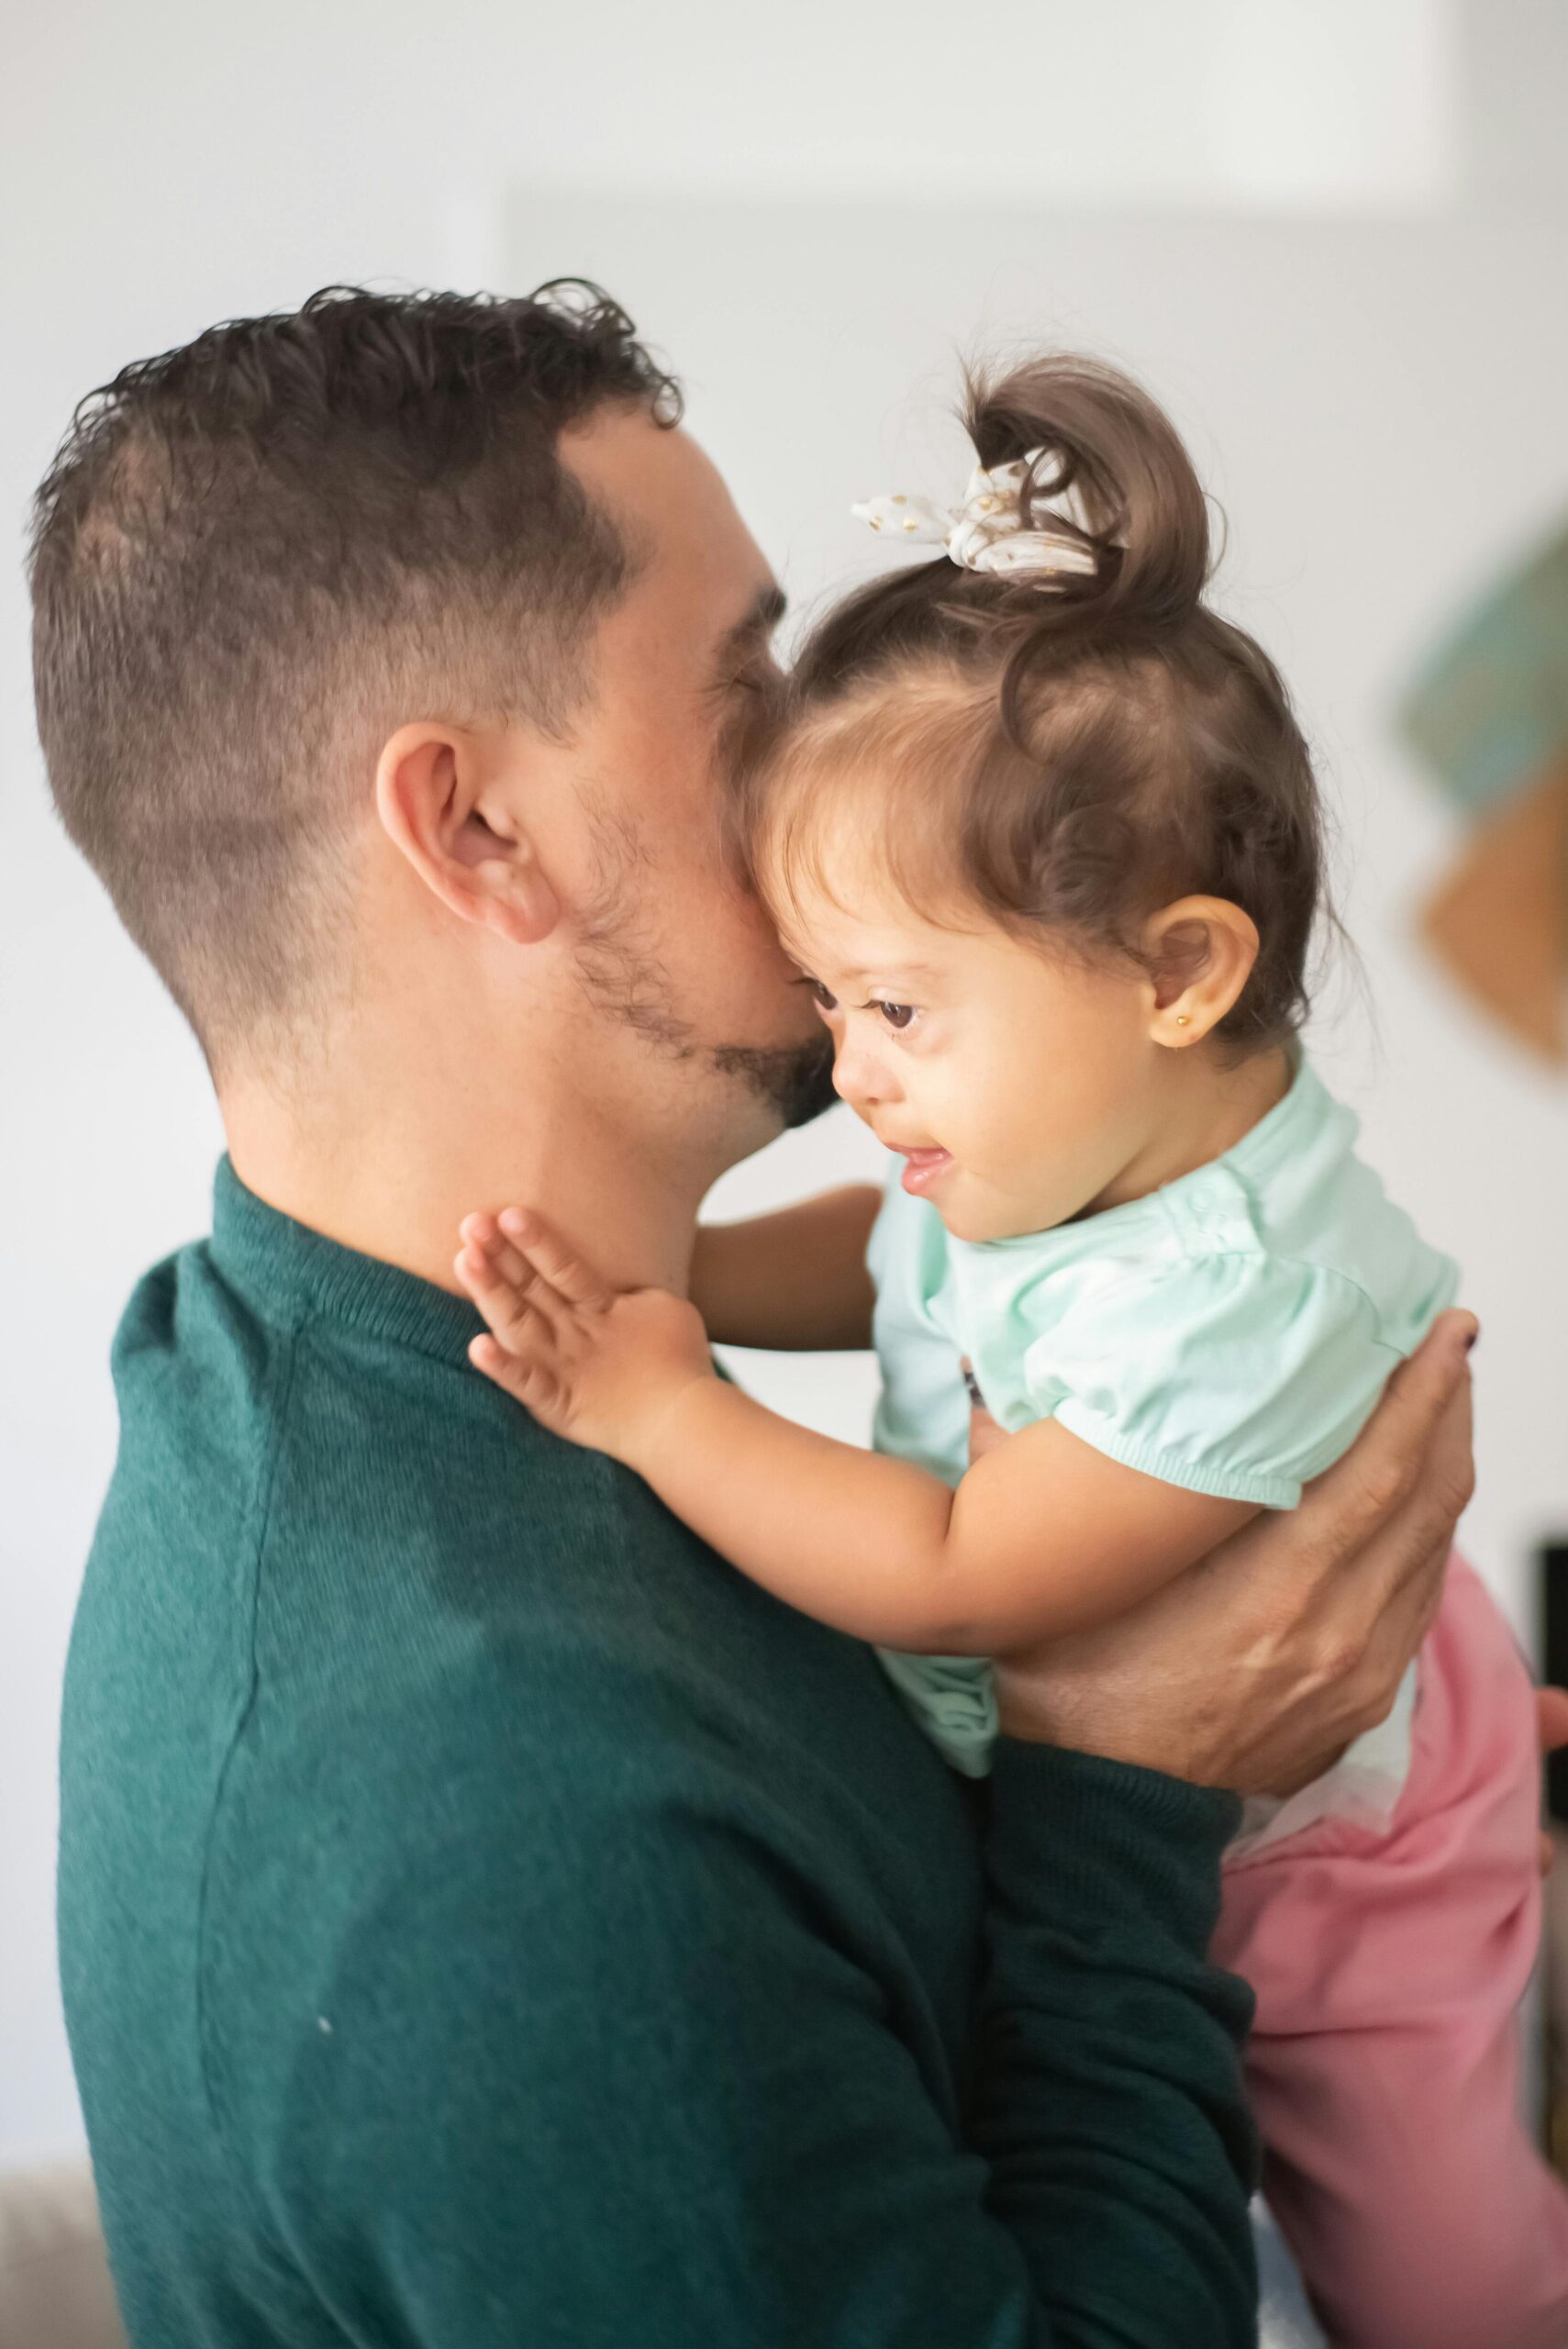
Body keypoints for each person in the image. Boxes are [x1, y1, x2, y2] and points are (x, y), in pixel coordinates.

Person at [38, 285, 1477, 2349]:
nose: (831, 768)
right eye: (748, 695)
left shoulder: (280, 1343)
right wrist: (1132, 1785)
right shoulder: (507, 1831)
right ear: (476, 828)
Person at [454, 351, 1568, 2349]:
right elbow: (878, 1259)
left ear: (1180, 972)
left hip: (1350, 1853)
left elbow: (966, 1570)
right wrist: (684, 1276)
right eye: (827, 996)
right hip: (1176, 1810)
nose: (844, 1070)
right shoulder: (1051, 1153)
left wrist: (658, 1400)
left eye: (891, 1005)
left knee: (1433, 2270)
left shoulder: (1238, 1297)